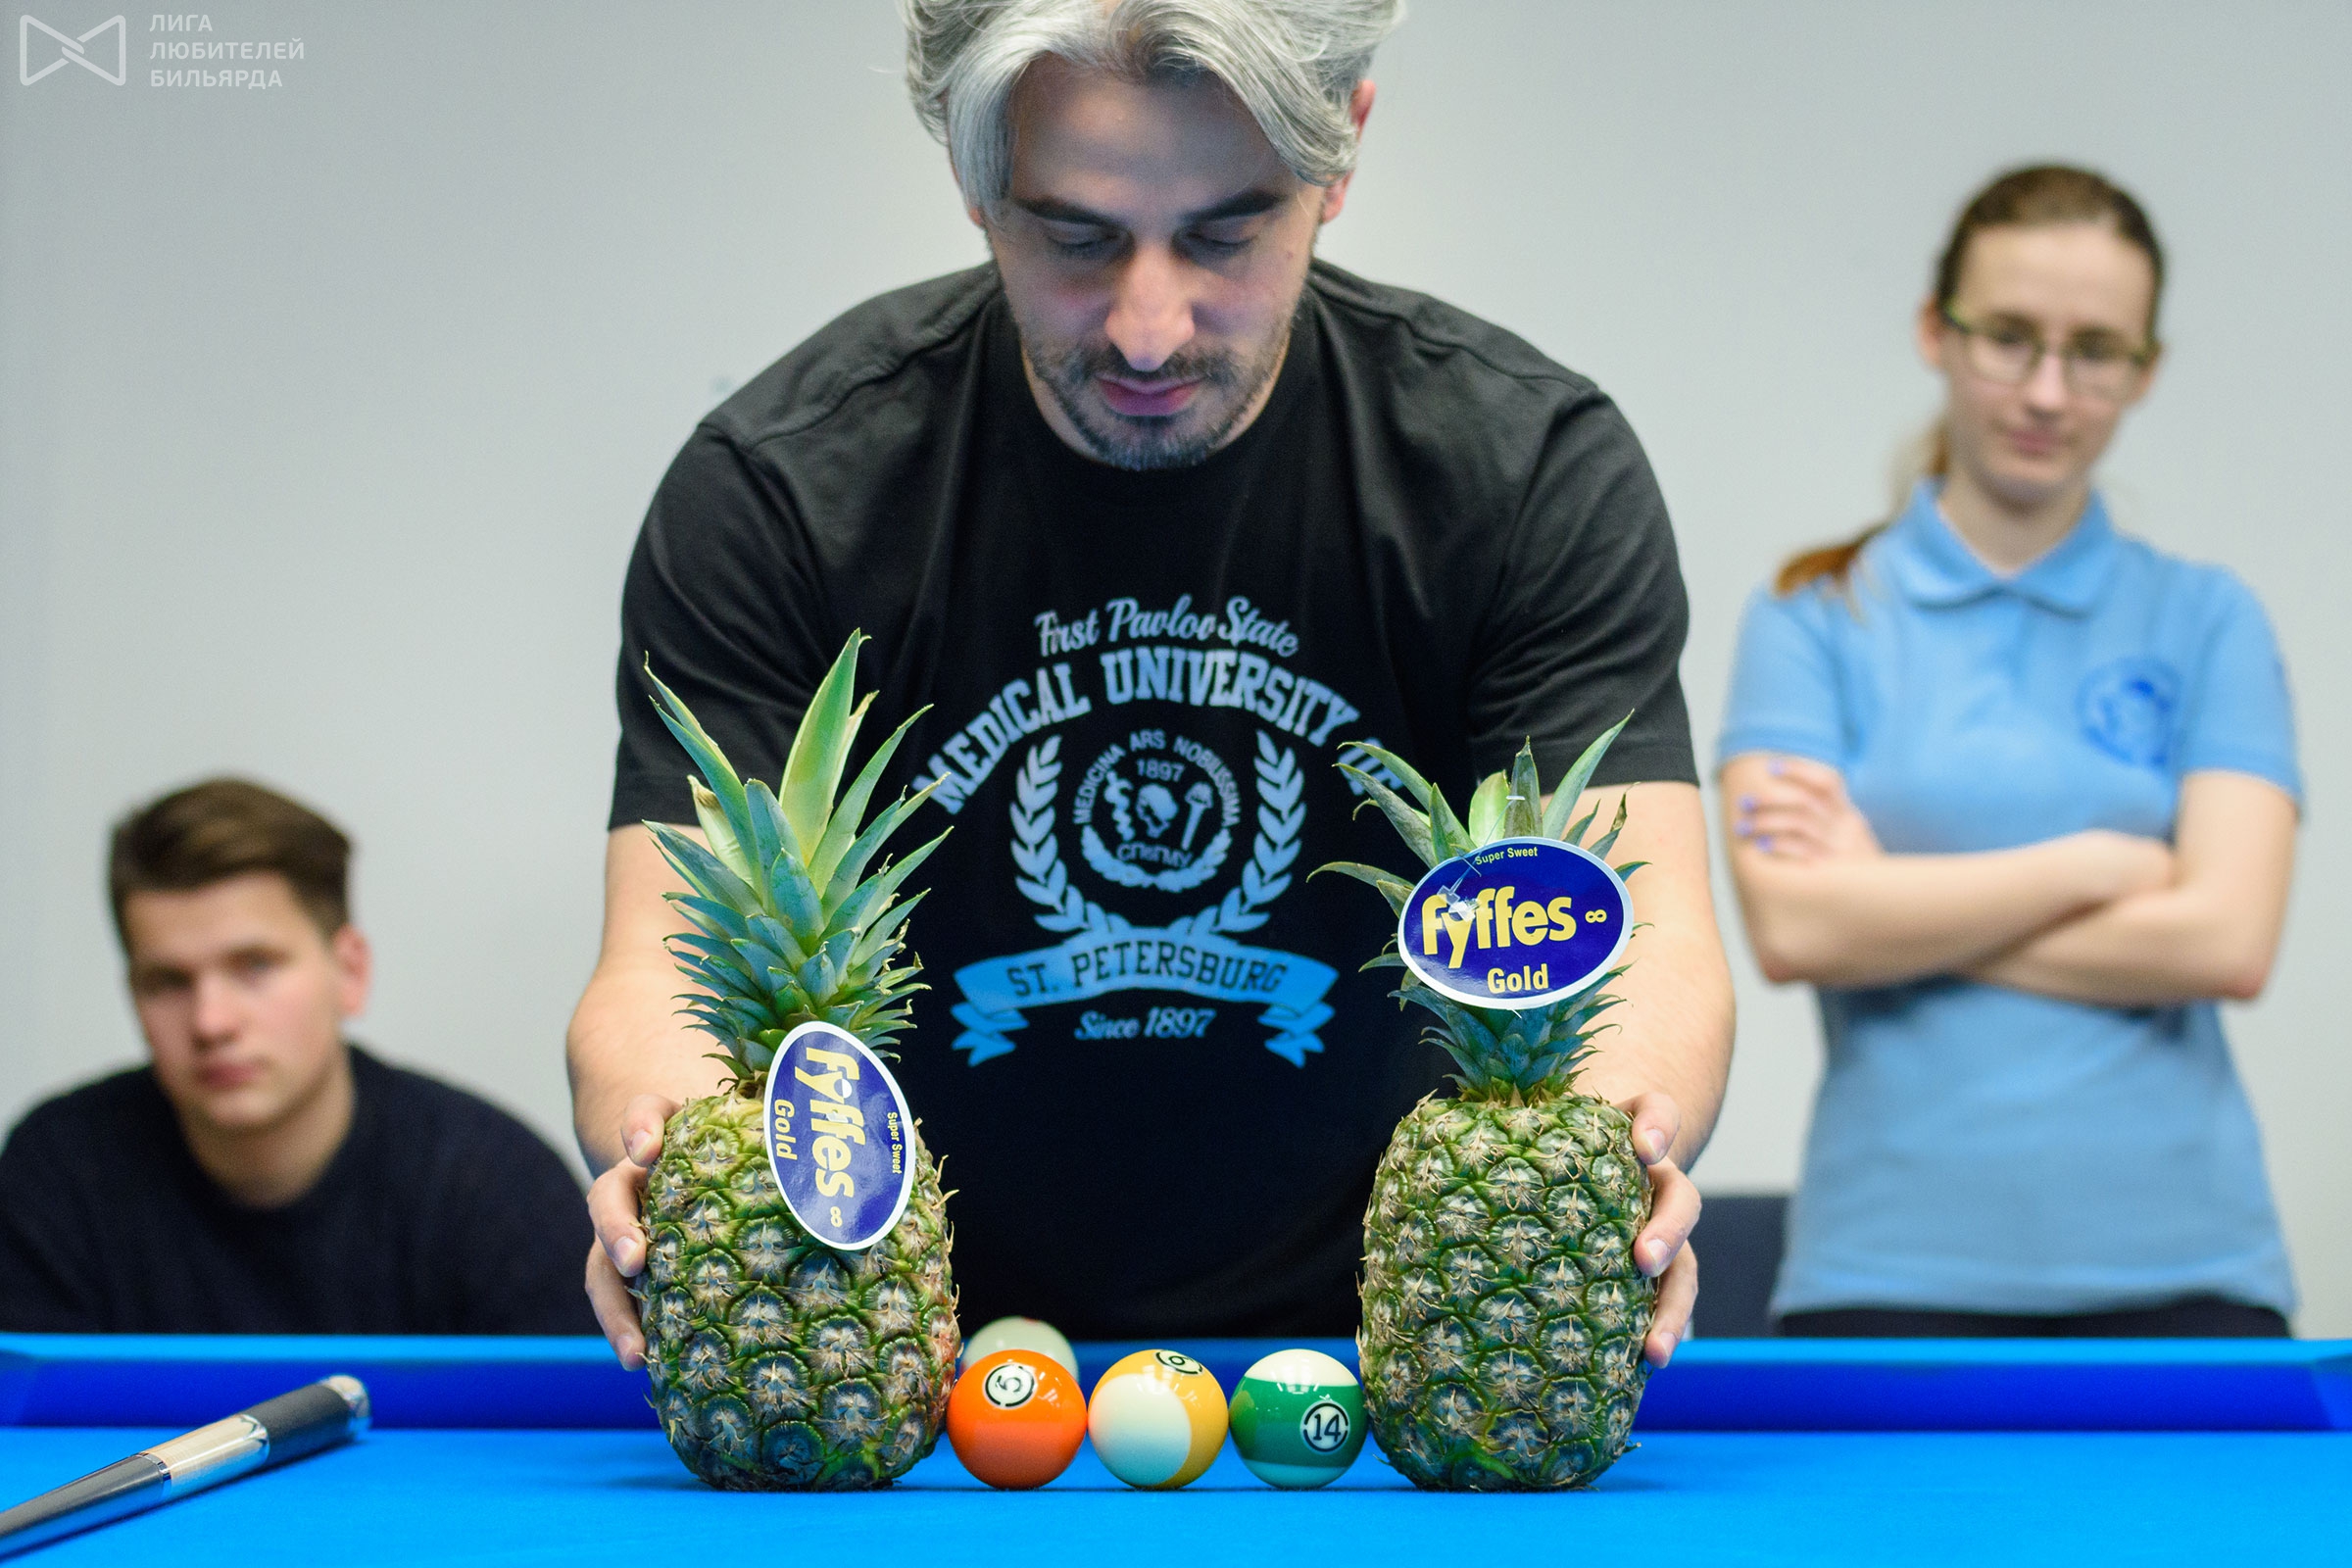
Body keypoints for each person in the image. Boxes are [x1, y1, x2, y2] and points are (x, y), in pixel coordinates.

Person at [575, 0, 1735, 1363]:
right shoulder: (780, 491)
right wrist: (675, 1160)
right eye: (1076, 239)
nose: (1146, 329)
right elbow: (656, 966)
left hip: (1401, 1366)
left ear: (1341, 153)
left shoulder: (1522, 469)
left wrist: (1610, 1153)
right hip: (886, 1363)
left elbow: (1640, 933)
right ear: (974, 177)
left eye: (1226, 235)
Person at [1719, 166, 2300, 1336]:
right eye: (2009, 337)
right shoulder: (1811, 617)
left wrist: (1891, 903)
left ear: (2145, 369)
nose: (2047, 391)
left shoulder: (2211, 618)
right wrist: (2103, 865)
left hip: (2190, 1269)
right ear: (1936, 331)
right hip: (1881, 1273)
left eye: (2096, 351)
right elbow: (1797, 932)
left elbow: (2229, 943)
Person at [0, 779, 597, 1334]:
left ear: (349, 972)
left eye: (255, 966)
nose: (211, 1022)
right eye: (168, 982)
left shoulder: (495, 1188)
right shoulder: (56, 1176)